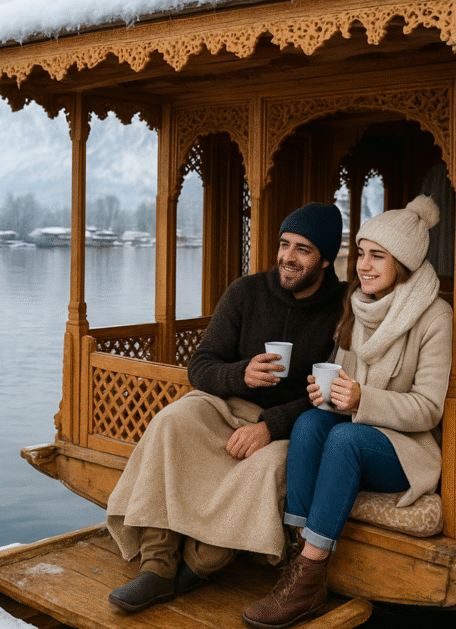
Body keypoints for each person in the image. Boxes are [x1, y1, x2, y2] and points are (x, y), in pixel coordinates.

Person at [106, 202, 347, 613]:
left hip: (293, 425)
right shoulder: (245, 292)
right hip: (224, 406)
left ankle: (199, 565)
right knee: (171, 422)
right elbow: (200, 367)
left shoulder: (343, 309)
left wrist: (270, 425)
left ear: (325, 258)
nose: (288, 257)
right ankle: (158, 567)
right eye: (284, 244)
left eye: (303, 249)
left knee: (268, 469)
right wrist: (242, 375)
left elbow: (331, 395)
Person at [243, 195, 453, 629]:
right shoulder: (357, 306)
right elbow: (342, 384)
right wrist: (327, 394)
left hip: (403, 449)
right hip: (355, 429)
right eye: (360, 254)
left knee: (343, 438)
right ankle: (297, 548)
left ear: (404, 264)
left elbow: (429, 409)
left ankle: (308, 580)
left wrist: (361, 400)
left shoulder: (435, 316)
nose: (364, 266)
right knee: (309, 423)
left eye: (378, 256)